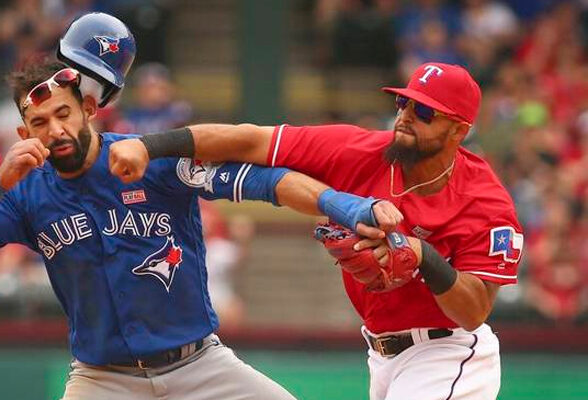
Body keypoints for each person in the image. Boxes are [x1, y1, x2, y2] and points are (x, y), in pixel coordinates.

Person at [0, 13, 404, 400]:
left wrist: (346, 206)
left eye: (63, 113)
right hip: (103, 379)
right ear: (23, 133)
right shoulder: (23, 193)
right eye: (39, 123)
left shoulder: (146, 158)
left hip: (200, 367)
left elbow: (266, 182)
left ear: (89, 110)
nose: (55, 130)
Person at [110, 62, 524, 400]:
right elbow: (250, 141)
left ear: (459, 130)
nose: (406, 117)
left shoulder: (485, 203)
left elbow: (473, 312)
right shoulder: (360, 151)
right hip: (382, 355)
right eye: (404, 103)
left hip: (448, 352)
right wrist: (149, 146)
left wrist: (423, 256)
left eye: (425, 112)